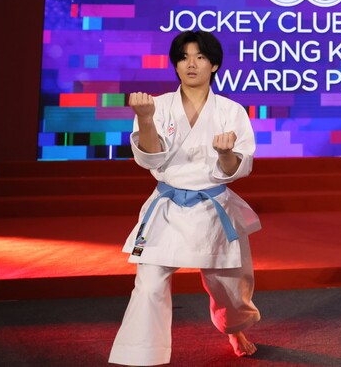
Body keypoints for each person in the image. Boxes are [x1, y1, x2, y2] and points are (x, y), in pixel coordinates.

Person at [109, 30, 261, 366]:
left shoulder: (232, 111)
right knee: (148, 283)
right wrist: (146, 119)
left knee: (230, 290)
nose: (191, 64)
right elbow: (150, 158)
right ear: (175, 65)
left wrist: (224, 154)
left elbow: (237, 168)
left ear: (214, 64)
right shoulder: (157, 105)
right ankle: (142, 357)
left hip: (214, 208)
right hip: (164, 209)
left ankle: (234, 328)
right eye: (183, 57)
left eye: (200, 57)